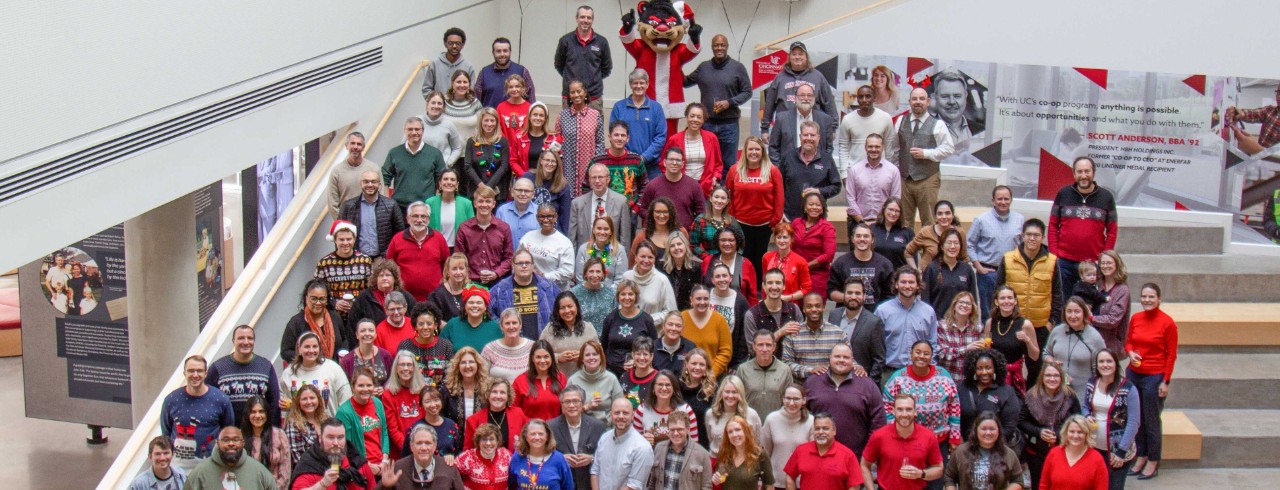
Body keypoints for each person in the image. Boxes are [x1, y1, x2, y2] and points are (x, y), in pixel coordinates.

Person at [996, 218, 1062, 382]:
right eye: (1029, 235)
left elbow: (1057, 294)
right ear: (1022, 236)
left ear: (1043, 237)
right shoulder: (1008, 258)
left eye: (1036, 235)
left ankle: (1031, 405)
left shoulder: (1052, 261)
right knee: (1007, 367)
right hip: (1012, 324)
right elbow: (998, 290)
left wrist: (1050, 323)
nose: (1032, 238)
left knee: (1036, 370)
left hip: (1040, 326)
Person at [883, 341, 961, 479]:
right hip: (906, 441)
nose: (921, 356)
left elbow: (954, 406)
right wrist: (893, 432)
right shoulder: (898, 377)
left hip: (938, 440)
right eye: (918, 352)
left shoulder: (943, 376)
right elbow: (887, 405)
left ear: (932, 356)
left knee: (934, 481)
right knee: (908, 481)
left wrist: (954, 437)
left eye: (926, 353)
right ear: (911, 354)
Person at [1125, 283, 1178, 480]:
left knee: (1151, 419)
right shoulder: (1136, 318)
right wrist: (1130, 352)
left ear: (1159, 299)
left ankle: (1154, 460)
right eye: (1144, 296)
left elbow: (1171, 355)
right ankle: (1141, 454)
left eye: (1151, 297)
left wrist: (1166, 381)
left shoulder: (1168, 323)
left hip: (1154, 376)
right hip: (1134, 373)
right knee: (1135, 418)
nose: (1147, 300)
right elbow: (1128, 341)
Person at [684, 33, 752, 181]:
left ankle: (725, 195)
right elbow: (685, 82)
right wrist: (673, 64)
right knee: (706, 160)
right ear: (712, 47)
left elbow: (747, 92)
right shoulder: (703, 68)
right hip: (707, 124)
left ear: (727, 47)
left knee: (728, 163)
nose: (719, 48)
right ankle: (707, 194)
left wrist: (730, 102)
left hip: (729, 125)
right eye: (716, 45)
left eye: (722, 45)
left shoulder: (738, 68)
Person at [1049, 156, 1119, 296]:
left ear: (1093, 173)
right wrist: (1055, 255)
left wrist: (1103, 259)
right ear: (1074, 174)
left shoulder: (1106, 197)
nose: (1083, 176)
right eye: (1079, 172)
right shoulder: (1063, 194)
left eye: (1087, 171)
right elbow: (1052, 225)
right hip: (1064, 262)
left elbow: (1112, 231)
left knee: (1090, 305)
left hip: (1092, 263)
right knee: (1064, 303)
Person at [803, 343, 884, 454]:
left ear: (852, 360)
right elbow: (802, 417)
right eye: (837, 356)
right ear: (829, 358)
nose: (841, 360)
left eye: (846, 357)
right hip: (818, 455)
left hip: (856, 457)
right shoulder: (812, 383)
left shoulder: (867, 385)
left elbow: (878, 422)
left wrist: (868, 455)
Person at [162, 355, 235, 471]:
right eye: (191, 371)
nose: (195, 375)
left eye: (199, 371)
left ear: (206, 373)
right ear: (184, 373)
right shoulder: (171, 400)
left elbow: (229, 432)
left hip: (211, 468)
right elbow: (166, 434)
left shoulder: (221, 400)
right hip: (178, 471)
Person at [897, 87, 956, 229]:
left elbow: (949, 148)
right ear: (909, 102)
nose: (918, 102)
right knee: (904, 221)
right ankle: (907, 251)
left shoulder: (938, 124)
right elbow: (894, 148)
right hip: (904, 179)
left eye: (922, 99)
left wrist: (926, 153)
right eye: (915, 99)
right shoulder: (900, 121)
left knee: (929, 221)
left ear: (928, 102)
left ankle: (928, 251)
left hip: (928, 179)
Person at [726, 136, 785, 278]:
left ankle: (759, 290)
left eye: (757, 149)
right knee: (743, 258)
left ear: (762, 151)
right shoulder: (734, 170)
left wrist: (775, 220)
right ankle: (744, 288)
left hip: (764, 225)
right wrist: (732, 217)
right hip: (741, 223)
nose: (754, 152)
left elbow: (779, 197)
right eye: (750, 149)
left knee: (760, 258)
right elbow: (729, 195)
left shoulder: (772, 170)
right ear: (745, 151)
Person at [1081, 349, 1139, 488]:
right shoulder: (1091, 383)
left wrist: (1121, 452)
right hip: (1094, 448)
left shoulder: (1128, 388)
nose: (1105, 365)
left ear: (1116, 364)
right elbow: (1085, 406)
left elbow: (1134, 422)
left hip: (1117, 451)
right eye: (1101, 361)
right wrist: (1087, 416)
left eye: (1109, 361)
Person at [862, 394, 945, 490]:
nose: (904, 414)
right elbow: (864, 465)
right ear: (893, 411)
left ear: (915, 412)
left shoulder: (928, 436)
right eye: (900, 409)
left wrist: (921, 473)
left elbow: (939, 469)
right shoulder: (879, 436)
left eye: (908, 409)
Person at [965, 185, 1024, 319]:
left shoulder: (1019, 219)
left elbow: (1022, 245)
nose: (1003, 202)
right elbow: (969, 243)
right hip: (988, 273)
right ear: (993, 201)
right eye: (999, 199)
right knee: (988, 309)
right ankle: (988, 338)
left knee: (1010, 307)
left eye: (1006, 199)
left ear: (1011, 200)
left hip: (1011, 272)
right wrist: (977, 266)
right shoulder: (981, 220)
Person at [1019, 363, 1081, 488]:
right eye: (1048, 375)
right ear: (1042, 377)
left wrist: (1060, 433)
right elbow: (1021, 421)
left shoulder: (1070, 396)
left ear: (1061, 378)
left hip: (1065, 450)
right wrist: (1039, 432)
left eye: (1056, 376)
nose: (1052, 379)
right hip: (1037, 452)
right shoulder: (1032, 395)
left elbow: (1078, 420)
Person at [208, 325, 281, 427]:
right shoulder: (218, 368)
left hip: (258, 433)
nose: (246, 342)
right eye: (241, 338)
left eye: (250, 338)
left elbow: (274, 403)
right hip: (229, 435)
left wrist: (273, 431)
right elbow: (208, 402)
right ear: (233, 341)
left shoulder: (266, 366)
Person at [761, 41, 837, 133]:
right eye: (794, 54)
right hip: (784, 129)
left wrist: (833, 128)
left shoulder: (818, 77)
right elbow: (769, 104)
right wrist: (765, 129)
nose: (797, 57)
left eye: (801, 54)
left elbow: (829, 103)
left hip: (811, 130)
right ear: (789, 57)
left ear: (806, 57)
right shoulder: (780, 77)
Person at [956, 350, 1022, 454]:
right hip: (966, 450)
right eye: (979, 368)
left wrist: (987, 446)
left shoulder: (1006, 392)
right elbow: (955, 420)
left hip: (995, 451)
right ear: (973, 370)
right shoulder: (962, 388)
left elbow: (1009, 428)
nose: (984, 372)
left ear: (995, 368)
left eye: (988, 368)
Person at [1043, 297, 1108, 401]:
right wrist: (1053, 362)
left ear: (1084, 313)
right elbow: (1046, 353)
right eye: (1069, 311)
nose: (1073, 316)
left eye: (1077, 311)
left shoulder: (1095, 337)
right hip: (1056, 393)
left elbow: (1101, 369)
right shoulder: (1057, 331)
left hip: (1083, 396)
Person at [386, 203, 451, 302]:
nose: (419, 220)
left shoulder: (439, 238)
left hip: (435, 298)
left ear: (428, 219)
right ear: (408, 219)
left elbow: (447, 265)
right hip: (404, 299)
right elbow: (389, 267)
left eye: (423, 216)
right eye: (415, 216)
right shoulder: (397, 239)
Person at [879, 268, 939, 375]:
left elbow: (933, 343)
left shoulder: (928, 312)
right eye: (903, 282)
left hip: (920, 372)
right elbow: (877, 345)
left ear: (918, 285)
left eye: (911, 282)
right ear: (896, 284)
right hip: (890, 371)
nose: (907, 286)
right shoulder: (883, 311)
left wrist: (931, 371)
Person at [489, 249, 560, 339]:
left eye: (527, 263)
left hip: (542, 345)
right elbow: (487, 312)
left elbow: (560, 312)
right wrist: (502, 327)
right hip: (513, 345)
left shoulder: (550, 288)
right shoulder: (499, 289)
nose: (524, 266)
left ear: (533, 265)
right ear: (513, 265)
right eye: (520, 263)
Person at [942, 412, 1025, 490]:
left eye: (992, 429)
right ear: (976, 431)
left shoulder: (1008, 454)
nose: (988, 433)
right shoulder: (961, 451)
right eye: (984, 429)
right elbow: (949, 477)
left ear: (998, 431)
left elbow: (1018, 481)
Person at [383, 116, 448, 214]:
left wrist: (436, 202)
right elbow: (385, 178)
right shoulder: (394, 153)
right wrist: (387, 202)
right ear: (404, 131)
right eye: (410, 129)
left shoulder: (435, 153)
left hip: (426, 207)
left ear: (422, 131)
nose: (414, 132)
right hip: (400, 207)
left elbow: (441, 180)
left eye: (417, 129)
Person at [826, 279, 887, 383]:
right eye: (849, 293)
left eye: (857, 293)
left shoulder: (874, 322)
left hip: (860, 381)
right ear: (844, 294)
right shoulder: (834, 315)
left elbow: (879, 359)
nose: (853, 297)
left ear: (864, 296)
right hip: (833, 379)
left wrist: (870, 383)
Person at [783, 413, 864, 490]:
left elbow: (855, 486)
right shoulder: (801, 451)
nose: (821, 432)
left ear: (834, 430)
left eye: (825, 428)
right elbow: (789, 476)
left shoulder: (847, 455)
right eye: (817, 428)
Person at [289, 417, 376, 489]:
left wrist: (384, 485)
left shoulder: (357, 462)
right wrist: (322, 484)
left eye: (340, 437)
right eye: (330, 437)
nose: (336, 443)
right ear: (320, 438)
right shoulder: (309, 465)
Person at [548, 385, 607, 489]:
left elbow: (607, 456)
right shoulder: (550, 427)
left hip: (589, 483)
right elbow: (542, 455)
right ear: (561, 405)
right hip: (561, 483)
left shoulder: (598, 426)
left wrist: (592, 459)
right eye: (567, 402)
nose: (571, 405)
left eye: (575, 401)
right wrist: (559, 458)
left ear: (582, 403)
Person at [778, 122, 841, 220]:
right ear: (800, 137)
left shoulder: (826, 159)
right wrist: (780, 212)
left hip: (817, 220)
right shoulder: (788, 157)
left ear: (818, 137)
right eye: (805, 135)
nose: (809, 138)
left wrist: (819, 191)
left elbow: (836, 186)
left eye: (812, 135)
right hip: (790, 218)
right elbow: (778, 187)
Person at [554, 5, 612, 111]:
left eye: (588, 18)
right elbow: (559, 65)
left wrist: (592, 79)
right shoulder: (565, 41)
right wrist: (571, 79)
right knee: (569, 127)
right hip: (571, 96)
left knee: (594, 128)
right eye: (582, 17)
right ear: (576, 18)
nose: (585, 20)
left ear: (592, 20)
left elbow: (606, 68)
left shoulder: (601, 42)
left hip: (593, 98)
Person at [610, 69, 667, 175]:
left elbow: (660, 137)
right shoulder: (619, 107)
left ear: (647, 84)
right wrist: (629, 158)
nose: (639, 86)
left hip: (651, 168)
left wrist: (644, 158)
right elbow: (614, 134)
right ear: (630, 85)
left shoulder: (656, 108)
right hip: (624, 164)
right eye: (635, 83)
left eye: (642, 82)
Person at [454, 185, 513, 286]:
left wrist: (496, 273)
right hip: (470, 282)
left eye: (488, 201)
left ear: (493, 204)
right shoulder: (464, 228)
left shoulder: (504, 228)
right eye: (481, 201)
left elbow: (509, 258)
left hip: (497, 282)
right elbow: (459, 257)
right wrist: (468, 276)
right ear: (475, 203)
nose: (484, 205)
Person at [339, 171, 406, 259]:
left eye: (373, 181)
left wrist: (389, 254)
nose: (370, 185)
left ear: (379, 184)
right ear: (361, 184)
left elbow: (400, 233)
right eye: (366, 181)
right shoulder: (348, 206)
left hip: (383, 260)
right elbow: (339, 233)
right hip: (356, 259)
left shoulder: (391, 205)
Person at [835, 85, 897, 180]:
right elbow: (843, 147)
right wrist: (844, 174)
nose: (864, 100)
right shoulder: (848, 119)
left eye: (868, 96)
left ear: (874, 98)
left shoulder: (885, 118)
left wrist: (889, 171)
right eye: (861, 96)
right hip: (855, 173)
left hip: (880, 173)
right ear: (857, 98)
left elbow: (889, 148)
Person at [314, 220, 374, 319]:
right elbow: (317, 290)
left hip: (360, 315)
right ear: (335, 240)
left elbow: (371, 289)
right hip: (334, 317)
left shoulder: (365, 260)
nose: (345, 243)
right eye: (341, 239)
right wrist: (334, 303)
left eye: (349, 239)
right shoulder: (324, 263)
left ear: (354, 239)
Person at [591, 398, 654, 490]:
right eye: (617, 413)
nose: (621, 416)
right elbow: (595, 471)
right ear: (611, 415)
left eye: (625, 413)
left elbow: (634, 486)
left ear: (632, 415)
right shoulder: (604, 438)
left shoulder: (642, 447)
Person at [827, 223, 895, 308]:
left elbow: (890, 295)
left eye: (866, 236)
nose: (862, 239)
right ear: (852, 239)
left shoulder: (885, 264)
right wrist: (850, 298)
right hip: (846, 315)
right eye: (858, 236)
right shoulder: (840, 263)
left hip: (875, 316)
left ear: (872, 239)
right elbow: (831, 292)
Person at [185, 426, 277, 490]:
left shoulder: (260, 472)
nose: (231, 443)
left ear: (243, 443)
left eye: (236, 440)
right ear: (217, 443)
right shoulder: (200, 472)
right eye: (225, 440)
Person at [337, 368, 391, 475]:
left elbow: (384, 432)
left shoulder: (377, 403)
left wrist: (384, 460)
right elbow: (347, 446)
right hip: (359, 468)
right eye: (361, 385)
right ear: (352, 387)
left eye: (369, 385)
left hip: (381, 465)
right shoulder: (344, 411)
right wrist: (367, 466)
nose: (365, 389)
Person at [281, 280, 349, 363]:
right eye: (314, 299)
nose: (318, 303)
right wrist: (308, 359)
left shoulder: (335, 317)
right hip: (307, 371)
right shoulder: (296, 323)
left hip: (334, 370)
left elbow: (344, 340)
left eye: (322, 299)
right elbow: (285, 352)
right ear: (306, 298)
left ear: (327, 300)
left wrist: (342, 354)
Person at [781, 293, 844, 382]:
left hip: (830, 386)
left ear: (823, 307)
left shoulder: (838, 333)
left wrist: (857, 367)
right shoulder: (793, 333)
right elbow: (786, 363)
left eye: (817, 306)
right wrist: (809, 370)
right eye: (809, 306)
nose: (814, 309)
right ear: (803, 309)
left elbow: (848, 359)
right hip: (801, 387)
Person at [660, 104, 723, 194]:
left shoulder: (712, 138)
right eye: (692, 116)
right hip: (680, 188)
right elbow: (664, 163)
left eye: (699, 117)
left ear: (703, 120)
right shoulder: (674, 139)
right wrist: (672, 179)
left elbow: (718, 164)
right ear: (687, 117)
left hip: (705, 188)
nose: (695, 120)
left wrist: (715, 178)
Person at [601, 280, 658, 376]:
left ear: (636, 297)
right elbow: (604, 346)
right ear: (618, 297)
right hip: (611, 371)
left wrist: (637, 362)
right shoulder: (610, 318)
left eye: (630, 294)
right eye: (623, 294)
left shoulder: (646, 320)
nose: (627, 298)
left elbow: (653, 347)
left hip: (638, 371)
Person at [640, 147, 707, 229]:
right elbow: (643, 209)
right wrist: (657, 221)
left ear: (683, 164)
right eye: (671, 159)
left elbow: (701, 212)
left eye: (678, 160)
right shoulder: (653, 185)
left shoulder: (694, 186)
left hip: (684, 236)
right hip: (659, 234)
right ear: (664, 162)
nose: (674, 163)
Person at [560, 81, 607, 195]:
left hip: (588, 167)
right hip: (568, 168)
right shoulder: (562, 116)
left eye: (579, 91)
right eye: (572, 92)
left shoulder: (595, 115)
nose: (576, 95)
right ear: (569, 96)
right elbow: (557, 141)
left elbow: (600, 143)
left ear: (585, 93)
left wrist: (597, 166)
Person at [382, 425, 465, 489]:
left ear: (435, 445)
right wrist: (386, 487)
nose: (423, 448)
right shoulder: (397, 468)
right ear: (411, 446)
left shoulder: (448, 468)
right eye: (419, 443)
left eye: (428, 443)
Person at [760, 386, 813, 488]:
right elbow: (765, 453)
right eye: (788, 398)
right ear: (783, 399)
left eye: (796, 399)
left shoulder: (811, 422)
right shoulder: (771, 419)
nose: (791, 403)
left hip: (801, 483)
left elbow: (812, 457)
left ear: (804, 400)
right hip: (775, 482)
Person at [571, 163, 635, 247]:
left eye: (600, 177)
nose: (597, 181)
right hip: (586, 255)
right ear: (589, 180)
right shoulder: (577, 204)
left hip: (612, 256)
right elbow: (572, 238)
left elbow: (625, 239)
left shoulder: (621, 202)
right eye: (594, 177)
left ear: (608, 179)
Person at [647, 409, 713, 490]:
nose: (675, 433)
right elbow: (652, 483)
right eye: (672, 430)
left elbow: (706, 487)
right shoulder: (659, 448)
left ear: (688, 429)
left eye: (679, 429)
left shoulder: (703, 454)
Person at [380, 351, 429, 459]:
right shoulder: (388, 394)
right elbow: (392, 429)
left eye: (409, 365)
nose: (405, 368)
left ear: (414, 368)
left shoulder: (423, 390)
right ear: (396, 368)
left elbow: (428, 421)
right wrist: (409, 448)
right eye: (402, 365)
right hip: (400, 453)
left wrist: (421, 446)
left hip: (423, 448)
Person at [633, 369, 700, 446]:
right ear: (653, 389)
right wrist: (642, 440)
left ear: (674, 389)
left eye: (668, 385)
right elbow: (634, 444)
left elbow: (694, 446)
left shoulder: (686, 410)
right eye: (660, 384)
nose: (664, 388)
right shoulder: (642, 410)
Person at [540, 291, 600, 375]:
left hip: (585, 378)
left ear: (577, 307)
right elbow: (539, 354)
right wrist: (558, 358)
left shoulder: (588, 328)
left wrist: (584, 356)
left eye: (570, 306)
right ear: (557, 311)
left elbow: (599, 353)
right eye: (562, 308)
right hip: (557, 380)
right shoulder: (549, 329)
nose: (567, 311)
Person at [921, 229, 977, 318]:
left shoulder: (967, 269)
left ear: (961, 246)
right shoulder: (931, 269)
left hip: (961, 324)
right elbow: (925, 300)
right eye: (949, 243)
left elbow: (973, 300)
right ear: (942, 246)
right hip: (937, 323)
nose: (952, 246)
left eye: (956, 243)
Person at [791, 192, 836, 300]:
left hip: (817, 276)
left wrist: (805, 266)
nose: (814, 207)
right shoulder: (796, 223)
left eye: (818, 205)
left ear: (822, 208)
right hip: (795, 273)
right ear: (805, 207)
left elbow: (828, 256)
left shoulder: (827, 228)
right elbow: (790, 245)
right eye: (811, 204)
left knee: (813, 308)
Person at [519, 203, 575, 290]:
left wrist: (543, 276)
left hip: (555, 291)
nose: (545, 220)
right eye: (542, 216)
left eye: (549, 216)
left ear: (555, 217)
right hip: (529, 288)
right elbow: (517, 260)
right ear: (537, 217)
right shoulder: (528, 237)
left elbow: (567, 272)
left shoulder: (564, 243)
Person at [566, 340, 625, 421]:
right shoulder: (573, 381)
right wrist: (587, 407)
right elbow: (565, 411)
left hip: (606, 428)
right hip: (581, 428)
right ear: (582, 359)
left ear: (601, 357)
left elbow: (620, 407)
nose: (591, 358)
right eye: (587, 355)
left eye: (595, 354)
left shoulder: (611, 379)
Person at [738, 329, 793, 416]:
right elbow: (738, 400)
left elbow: (789, 400)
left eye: (768, 345)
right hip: (749, 423)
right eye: (760, 345)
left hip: (776, 424)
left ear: (774, 347)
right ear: (754, 346)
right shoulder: (743, 369)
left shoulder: (785, 370)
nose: (764, 349)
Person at [464, 377, 529, 452]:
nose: (498, 396)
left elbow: (528, 442)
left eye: (502, 392)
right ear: (487, 395)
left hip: (513, 462)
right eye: (494, 392)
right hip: (483, 463)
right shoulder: (473, 420)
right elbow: (468, 452)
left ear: (508, 396)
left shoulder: (518, 414)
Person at [707, 262, 752, 367]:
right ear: (712, 280)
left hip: (729, 356)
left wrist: (737, 363)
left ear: (730, 278)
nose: (722, 279)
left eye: (724, 276)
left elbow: (743, 335)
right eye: (718, 276)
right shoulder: (705, 295)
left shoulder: (740, 301)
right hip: (705, 353)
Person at [461, 108, 512, 200]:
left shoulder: (503, 141)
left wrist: (489, 187)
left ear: (497, 122)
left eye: (492, 121)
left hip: (497, 191)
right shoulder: (471, 142)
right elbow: (468, 166)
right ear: (481, 122)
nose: (489, 124)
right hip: (476, 190)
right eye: (486, 120)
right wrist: (481, 186)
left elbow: (504, 166)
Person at [400, 388, 461, 464]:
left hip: (447, 471)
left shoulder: (452, 425)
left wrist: (452, 457)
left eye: (436, 400)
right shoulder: (414, 429)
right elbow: (405, 458)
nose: (433, 405)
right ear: (421, 404)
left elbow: (459, 453)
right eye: (427, 401)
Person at [329, 132, 383, 218]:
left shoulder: (374, 169)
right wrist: (341, 223)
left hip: (370, 219)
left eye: (359, 144)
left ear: (363, 147)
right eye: (352, 143)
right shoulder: (337, 171)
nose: (355, 147)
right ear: (346, 146)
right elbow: (333, 203)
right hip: (346, 220)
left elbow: (381, 197)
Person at [508, 420, 574, 489]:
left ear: (547, 437)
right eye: (533, 434)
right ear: (526, 437)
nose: (537, 438)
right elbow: (511, 485)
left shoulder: (559, 459)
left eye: (540, 434)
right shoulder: (517, 457)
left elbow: (568, 487)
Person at [712, 416, 774, 489]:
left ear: (746, 431)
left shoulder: (759, 454)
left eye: (738, 430)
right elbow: (719, 477)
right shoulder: (724, 454)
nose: (734, 435)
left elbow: (769, 485)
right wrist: (716, 480)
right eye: (730, 432)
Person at [350, 260, 417, 328]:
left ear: (395, 278)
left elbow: (416, 318)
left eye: (388, 275)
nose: (384, 278)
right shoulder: (365, 297)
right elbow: (353, 323)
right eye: (381, 276)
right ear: (376, 279)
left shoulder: (405, 296)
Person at [681, 287, 732, 376]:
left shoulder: (719, 320)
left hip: (714, 376)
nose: (702, 302)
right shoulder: (682, 318)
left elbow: (726, 351)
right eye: (698, 299)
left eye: (706, 299)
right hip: (687, 377)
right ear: (691, 299)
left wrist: (711, 373)